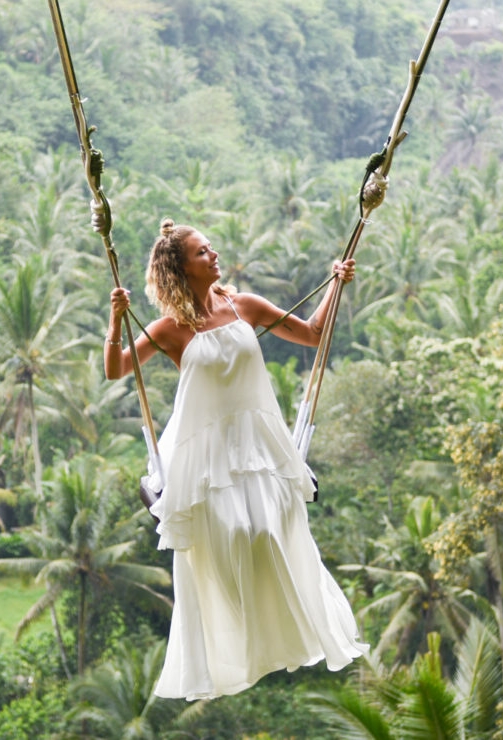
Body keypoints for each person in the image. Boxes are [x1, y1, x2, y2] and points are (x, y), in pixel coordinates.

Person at [104, 217, 367, 701]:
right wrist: (117, 317)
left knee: (270, 531)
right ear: (180, 268)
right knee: (231, 537)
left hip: (258, 444)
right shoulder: (170, 328)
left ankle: (286, 629)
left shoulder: (242, 305)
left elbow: (312, 333)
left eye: (211, 248)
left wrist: (336, 284)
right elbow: (116, 368)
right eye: (203, 252)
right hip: (204, 453)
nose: (214, 256)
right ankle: (233, 648)